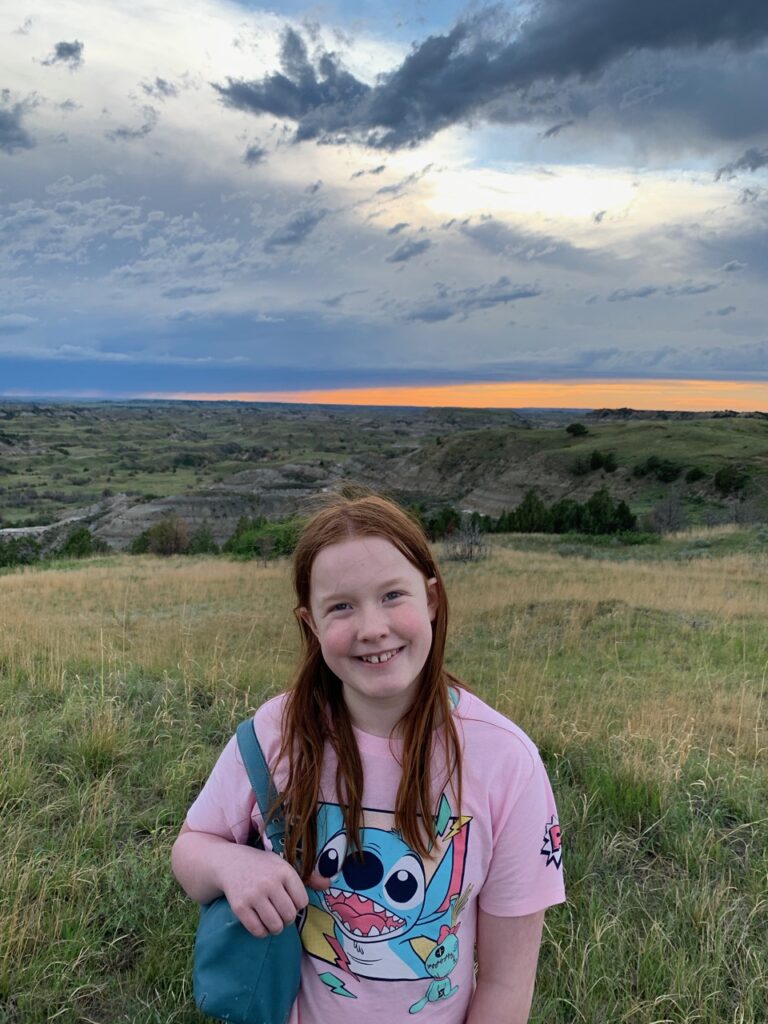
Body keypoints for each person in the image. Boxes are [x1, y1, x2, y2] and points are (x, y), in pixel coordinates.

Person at [172, 493, 565, 1023]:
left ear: (431, 599)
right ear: (310, 624)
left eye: (391, 595)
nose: (372, 628)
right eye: (341, 606)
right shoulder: (273, 735)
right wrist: (230, 863)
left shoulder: (505, 761)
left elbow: (505, 983)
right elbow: (190, 851)